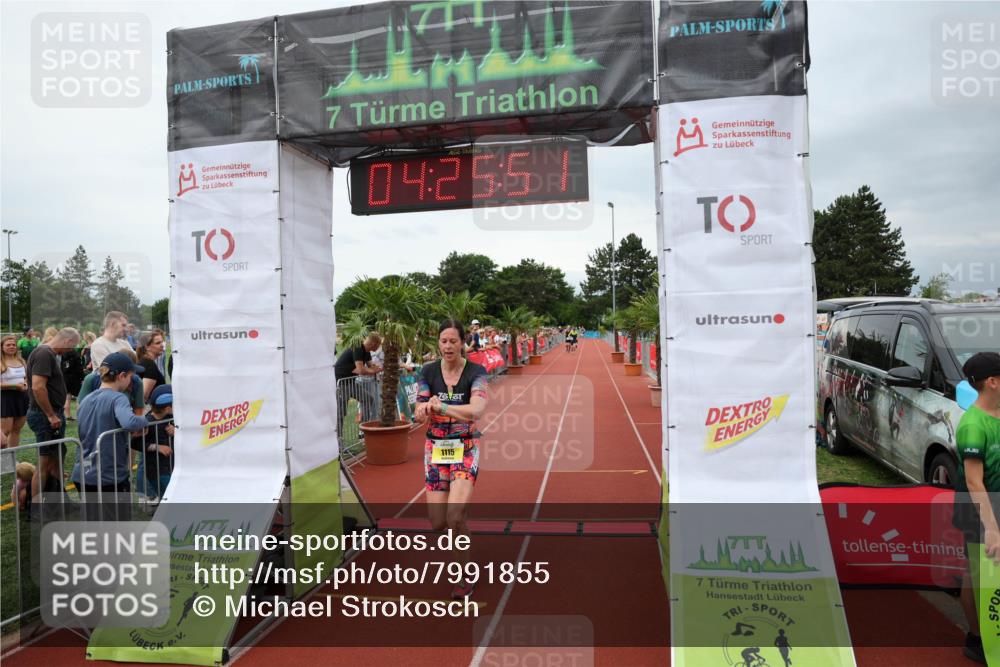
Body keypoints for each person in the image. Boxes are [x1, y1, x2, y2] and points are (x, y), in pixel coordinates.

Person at [414, 319, 488, 599]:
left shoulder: (476, 373)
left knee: (454, 515)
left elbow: (477, 409)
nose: (447, 346)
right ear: (438, 343)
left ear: (462, 343)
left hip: (465, 448)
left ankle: (465, 575)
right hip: (435, 450)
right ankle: (461, 527)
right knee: (437, 522)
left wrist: (443, 405)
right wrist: (422, 410)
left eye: (453, 341)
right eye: (443, 341)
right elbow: (421, 402)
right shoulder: (428, 371)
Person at [953, 351, 1000, 665]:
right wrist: (992, 528)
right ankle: (978, 637)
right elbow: (973, 482)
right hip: (978, 506)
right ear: (993, 382)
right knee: (980, 575)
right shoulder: (973, 425)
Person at [71, 352, 149, 515]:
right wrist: (146, 419)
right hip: (108, 475)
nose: (131, 382)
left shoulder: (86, 399)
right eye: (130, 377)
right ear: (122, 376)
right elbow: (130, 422)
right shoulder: (118, 398)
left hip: (83, 474)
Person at [26, 327, 80, 498]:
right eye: (72, 346)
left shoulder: (48, 354)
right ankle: (36, 510)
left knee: (56, 460)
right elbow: (38, 387)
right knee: (44, 463)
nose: (71, 351)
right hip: (45, 416)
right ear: (67, 341)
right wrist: (50, 415)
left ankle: (59, 502)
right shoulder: (44, 354)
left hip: (51, 414)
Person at [334, 334, 382, 432]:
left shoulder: (367, 351)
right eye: (378, 345)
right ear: (373, 343)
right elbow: (361, 370)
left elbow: (370, 366)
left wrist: (377, 368)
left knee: (368, 399)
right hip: (341, 383)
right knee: (341, 412)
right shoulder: (358, 348)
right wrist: (374, 371)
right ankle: (338, 440)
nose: (378, 348)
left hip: (351, 382)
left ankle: (363, 431)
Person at [139, 384, 174, 500]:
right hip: (157, 471)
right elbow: (135, 442)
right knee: (171, 498)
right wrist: (157, 447)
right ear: (168, 408)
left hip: (170, 467)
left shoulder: (171, 419)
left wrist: (176, 431)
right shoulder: (147, 422)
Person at [1, 334, 30, 448]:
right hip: (5, 399)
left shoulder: (21, 361)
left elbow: (25, 377)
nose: (12, 347)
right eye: (8, 345)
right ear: (1, 347)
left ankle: (11, 458)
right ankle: (2, 459)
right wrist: (14, 386)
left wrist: (26, 383)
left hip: (21, 398)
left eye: (13, 345)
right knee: (5, 431)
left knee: (16, 430)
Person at [136, 329, 166, 402]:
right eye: (158, 343)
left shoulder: (144, 362)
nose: (162, 345)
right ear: (147, 347)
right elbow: (143, 397)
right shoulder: (149, 365)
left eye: (162, 342)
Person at [61, 340, 86, 421]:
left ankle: (67, 415)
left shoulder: (63, 354)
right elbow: (79, 368)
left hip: (65, 378)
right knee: (78, 398)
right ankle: (80, 416)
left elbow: (62, 367)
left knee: (67, 398)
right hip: (75, 379)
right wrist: (82, 377)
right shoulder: (75, 354)